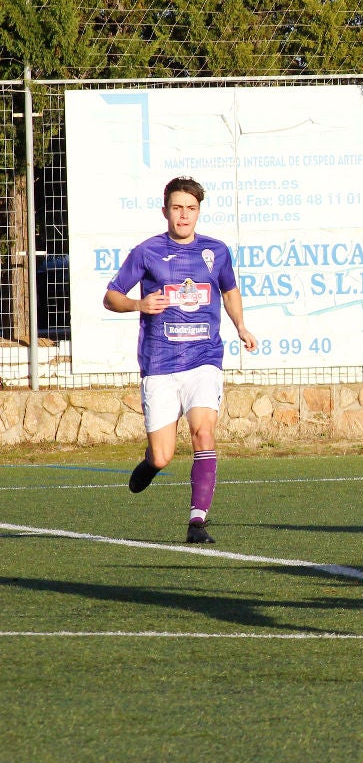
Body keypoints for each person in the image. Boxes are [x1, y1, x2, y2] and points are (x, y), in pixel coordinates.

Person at [104, 176, 258, 544]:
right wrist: (138, 304)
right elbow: (111, 296)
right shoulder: (147, 252)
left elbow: (230, 289)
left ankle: (197, 521)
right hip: (159, 364)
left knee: (204, 430)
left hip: (204, 358)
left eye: (190, 208)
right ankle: (150, 464)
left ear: (198, 212)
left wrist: (240, 325)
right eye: (177, 208)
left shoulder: (216, 251)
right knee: (162, 456)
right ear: (165, 211)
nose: (183, 215)